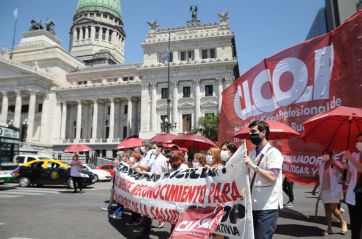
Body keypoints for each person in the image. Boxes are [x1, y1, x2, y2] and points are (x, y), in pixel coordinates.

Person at [243, 120, 283, 239]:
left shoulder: (274, 153)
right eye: (250, 132)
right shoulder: (251, 154)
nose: (251, 135)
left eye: (254, 131)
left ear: (263, 132)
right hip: (252, 205)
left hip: (267, 206)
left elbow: (272, 177)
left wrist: (253, 166)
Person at [312, 149, 347, 235]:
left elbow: (344, 172)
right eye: (324, 154)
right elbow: (319, 178)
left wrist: (335, 164)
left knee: (332, 208)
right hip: (324, 190)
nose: (325, 155)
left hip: (334, 190)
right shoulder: (322, 164)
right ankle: (329, 228)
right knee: (327, 209)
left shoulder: (335, 163)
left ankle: (343, 222)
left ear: (331, 155)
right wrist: (315, 188)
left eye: (327, 154)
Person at [342, 133, 362, 239]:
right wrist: (345, 169)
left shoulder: (351, 156)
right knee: (355, 225)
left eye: (361, 141)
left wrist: (348, 156)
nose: (359, 143)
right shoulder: (354, 155)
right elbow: (348, 180)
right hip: (353, 196)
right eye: (357, 141)